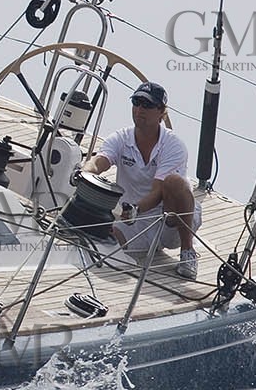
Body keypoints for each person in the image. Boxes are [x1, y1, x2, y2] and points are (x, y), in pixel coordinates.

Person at [81, 81, 201, 279]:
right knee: (101, 242)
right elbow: (99, 161)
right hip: (132, 221)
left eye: (147, 105)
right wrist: (84, 173)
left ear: (162, 112)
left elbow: (157, 191)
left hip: (170, 221)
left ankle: (188, 252)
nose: (139, 109)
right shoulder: (120, 138)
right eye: (136, 102)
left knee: (175, 182)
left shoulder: (174, 145)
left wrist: (136, 209)